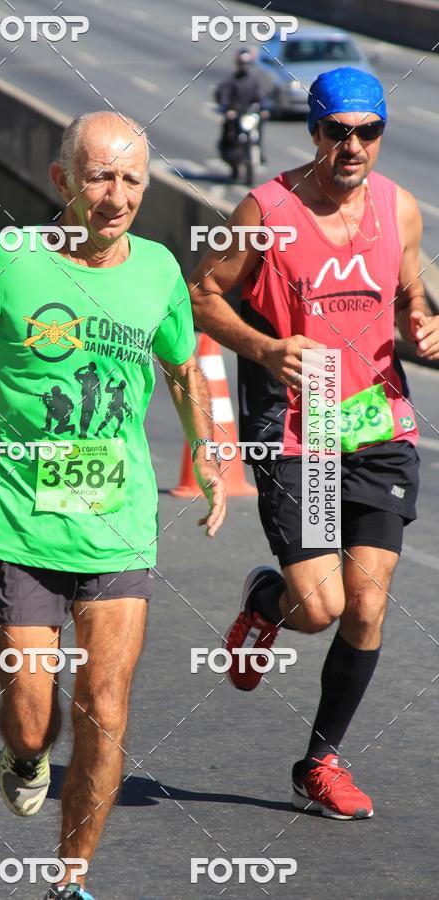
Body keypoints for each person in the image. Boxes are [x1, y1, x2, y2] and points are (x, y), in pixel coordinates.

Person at [0, 111, 226, 898]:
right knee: (35, 714)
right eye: (99, 177)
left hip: (118, 524)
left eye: (132, 181)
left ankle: (69, 880)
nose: (115, 197)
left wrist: (207, 450)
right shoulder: (9, 264)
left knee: (105, 711)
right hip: (16, 521)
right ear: (62, 182)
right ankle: (26, 746)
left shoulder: (155, 270)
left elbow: (181, 370)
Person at [189, 67, 439, 820]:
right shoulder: (265, 209)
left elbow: (411, 304)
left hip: (377, 425)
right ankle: (268, 600)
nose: (353, 146)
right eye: (339, 131)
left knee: (367, 607)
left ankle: (321, 762)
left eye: (368, 131)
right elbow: (201, 293)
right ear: (315, 131)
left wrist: (426, 329)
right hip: (297, 429)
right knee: (322, 608)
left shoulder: (401, 208)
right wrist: (264, 350)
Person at [215, 48, 267, 168]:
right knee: (229, 127)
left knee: (259, 127)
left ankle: (259, 151)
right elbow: (223, 94)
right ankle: (227, 151)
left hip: (248, 113)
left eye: (247, 63)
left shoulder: (253, 80)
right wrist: (227, 107)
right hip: (236, 112)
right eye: (242, 63)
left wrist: (263, 108)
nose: (244, 66)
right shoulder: (231, 79)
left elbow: (260, 96)